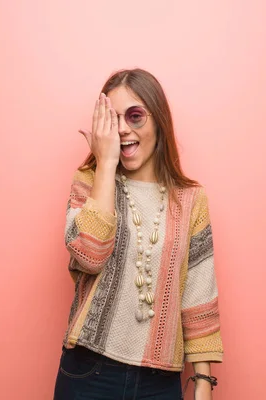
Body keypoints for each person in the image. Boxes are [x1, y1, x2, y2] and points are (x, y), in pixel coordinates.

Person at [53, 68, 223, 400]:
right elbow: (89, 254)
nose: (123, 129)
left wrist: (203, 385)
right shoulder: (89, 182)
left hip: (160, 384)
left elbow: (200, 297)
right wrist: (105, 163)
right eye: (112, 120)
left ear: (159, 120)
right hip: (89, 373)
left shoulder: (191, 200)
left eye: (135, 117)